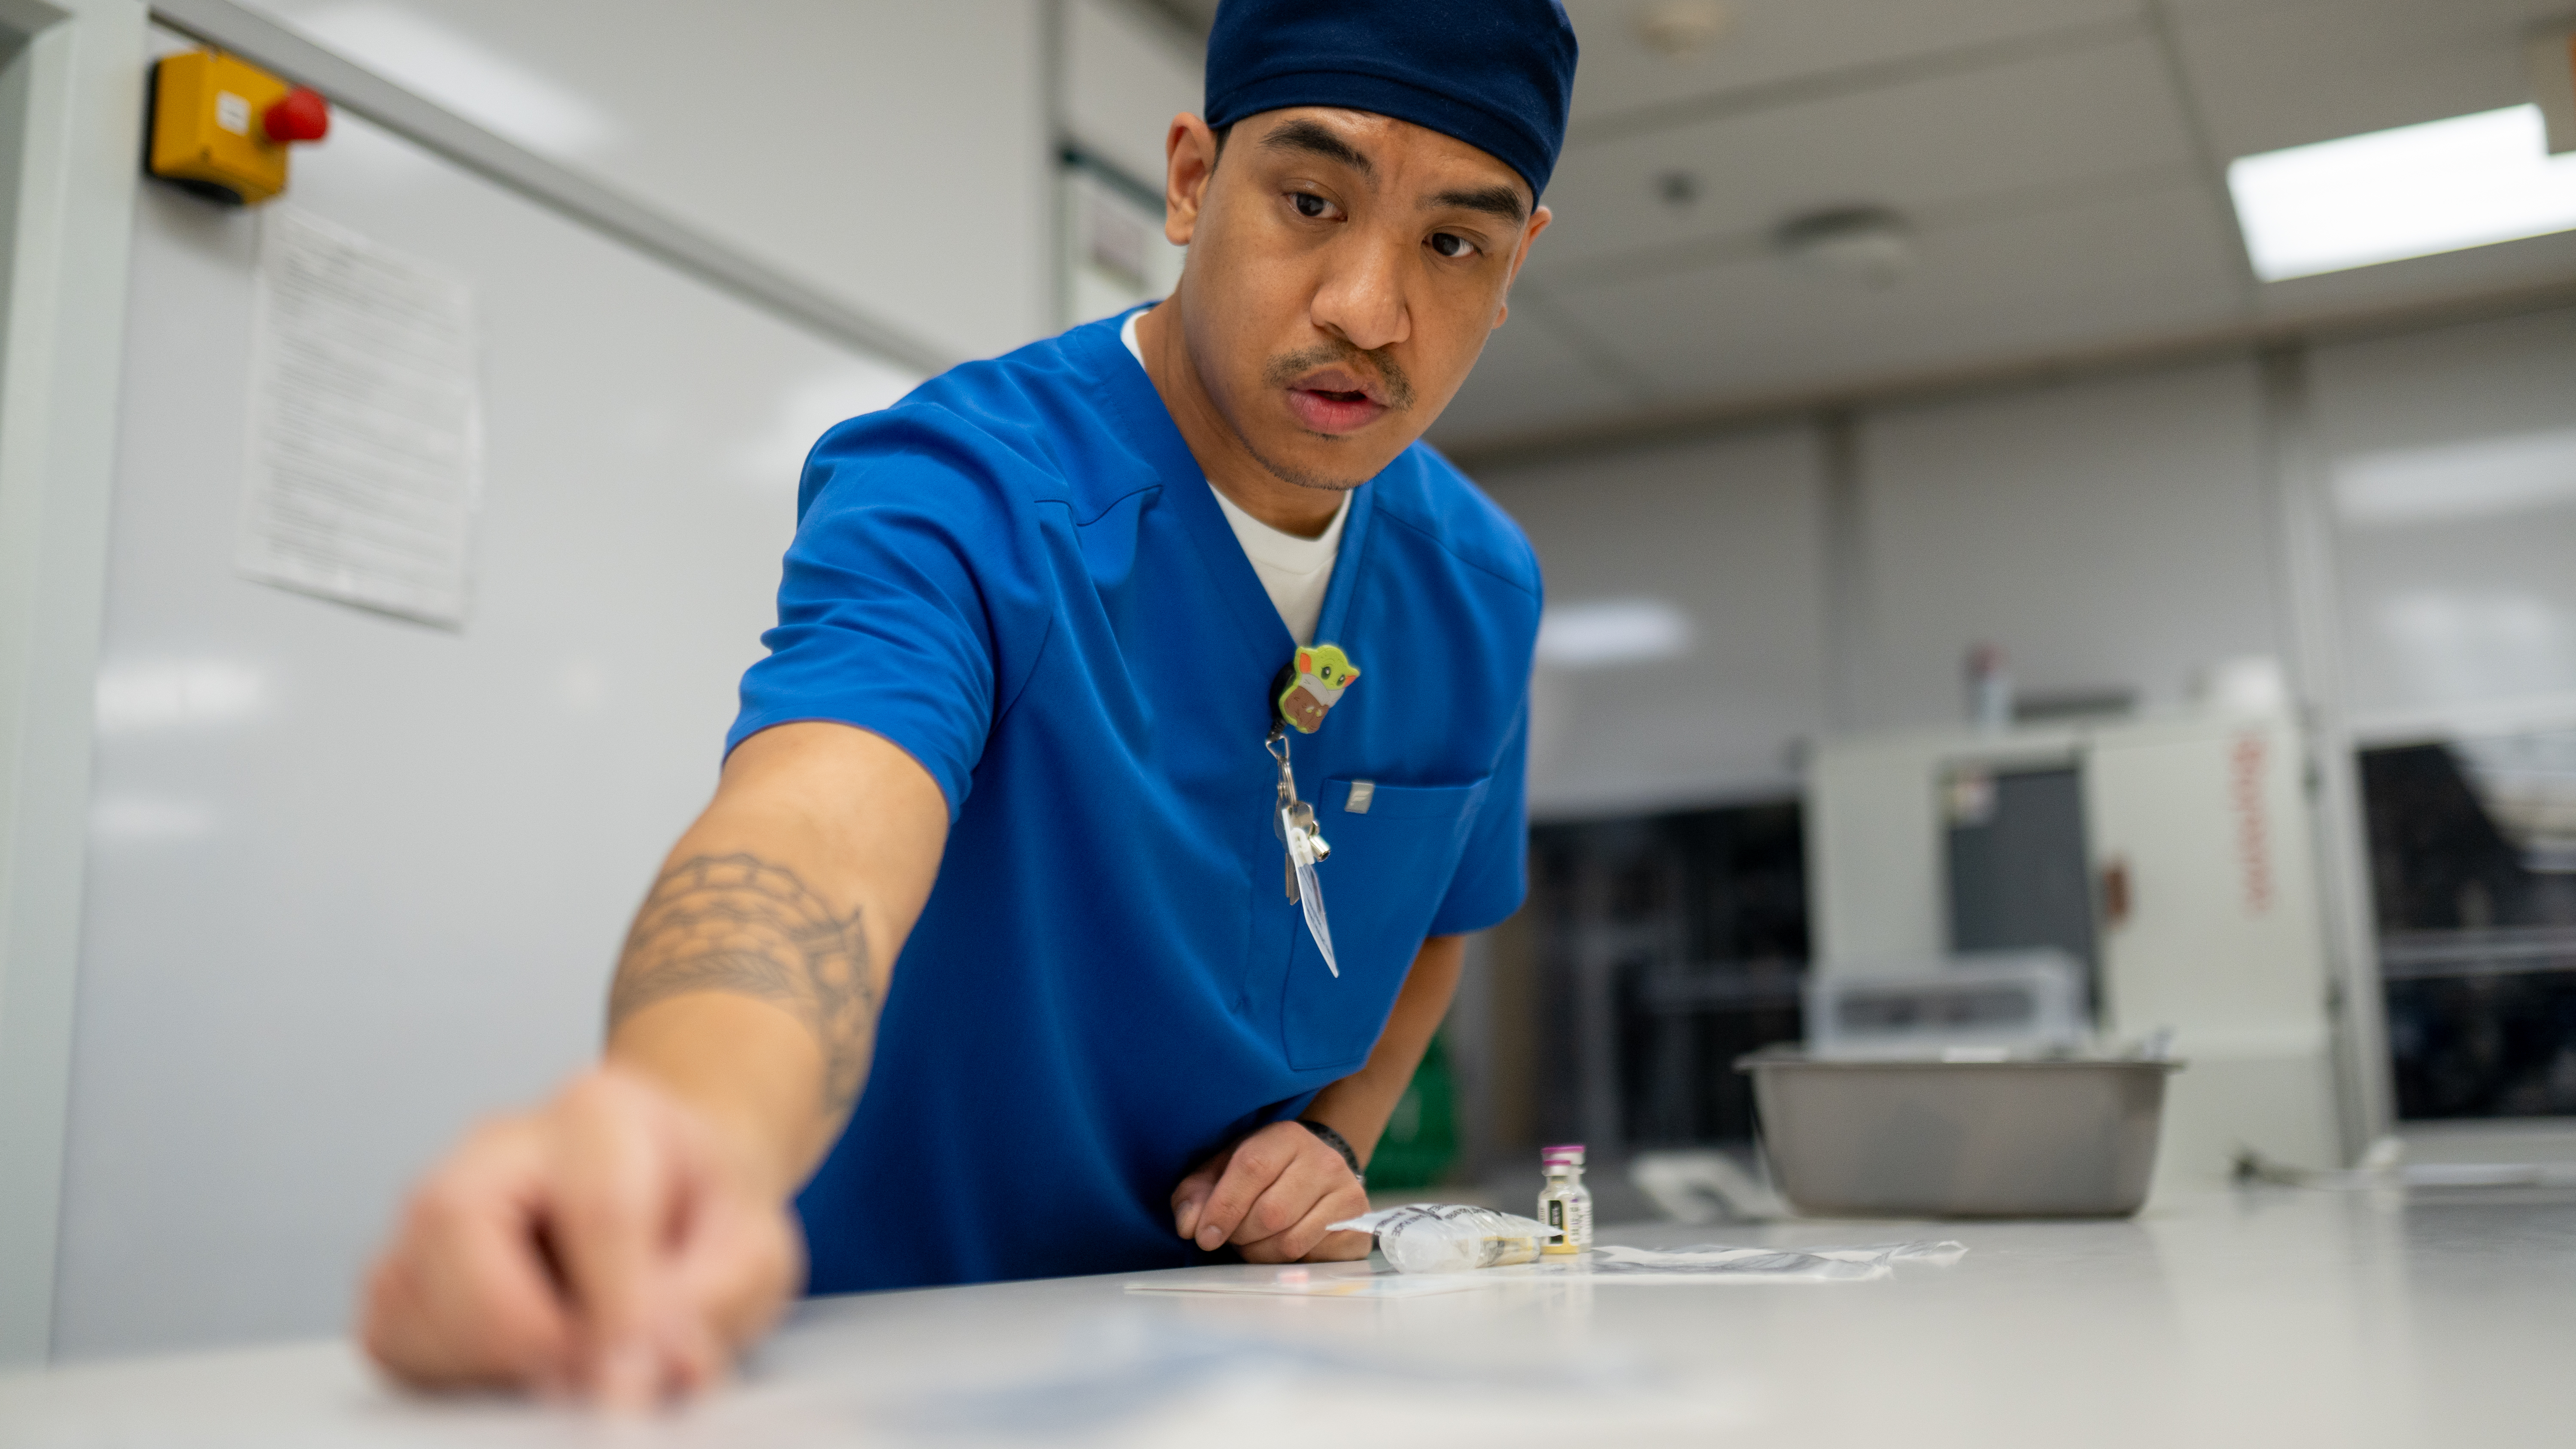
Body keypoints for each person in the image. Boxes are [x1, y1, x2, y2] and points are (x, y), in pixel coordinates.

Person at [359, 0, 1577, 1406]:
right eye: (1311, 201)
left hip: (1232, 1362)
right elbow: (819, 822)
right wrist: (678, 1126)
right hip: (877, 1348)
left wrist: (1341, 1141)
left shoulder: (1479, 584)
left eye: (1453, 243)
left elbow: (1441, 921)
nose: (1368, 308)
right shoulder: (967, 488)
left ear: (1516, 266)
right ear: (1191, 182)